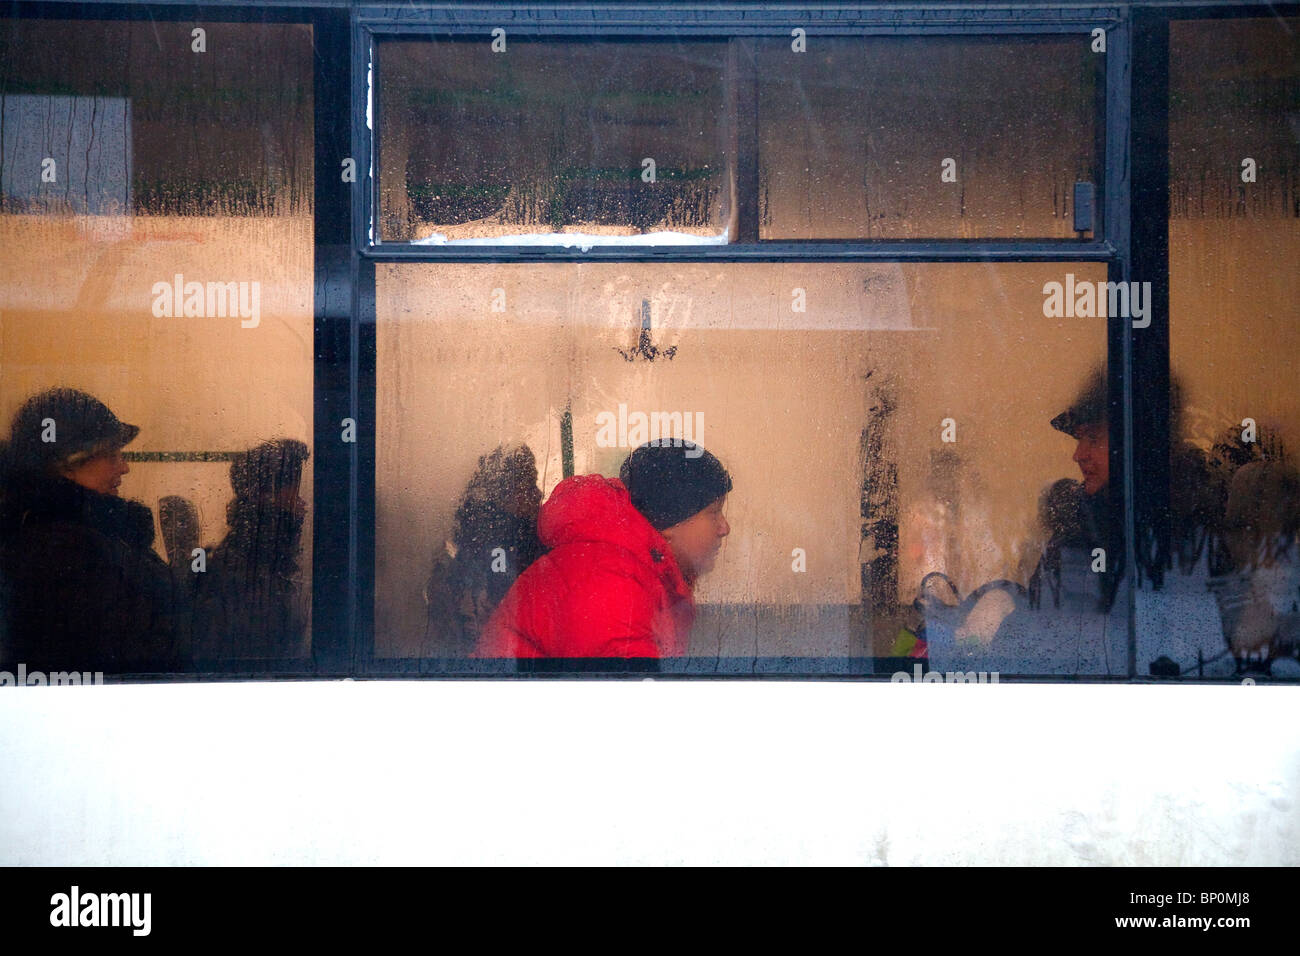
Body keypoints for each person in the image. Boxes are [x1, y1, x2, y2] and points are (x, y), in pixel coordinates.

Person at [475, 440, 732, 658]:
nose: (725, 528)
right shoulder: (609, 580)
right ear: (671, 520)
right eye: (714, 513)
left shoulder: (645, 573)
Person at [0, 388, 188, 671]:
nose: (124, 467)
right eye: (110, 455)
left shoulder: (98, 533)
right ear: (66, 466)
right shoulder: (63, 552)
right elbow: (138, 649)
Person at [191, 438, 310, 659]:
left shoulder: (257, 552)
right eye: (293, 494)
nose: (303, 506)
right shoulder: (249, 565)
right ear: (267, 497)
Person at [424, 443, 544, 655]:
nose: (539, 493)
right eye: (529, 485)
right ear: (505, 493)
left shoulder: (531, 537)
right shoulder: (474, 550)